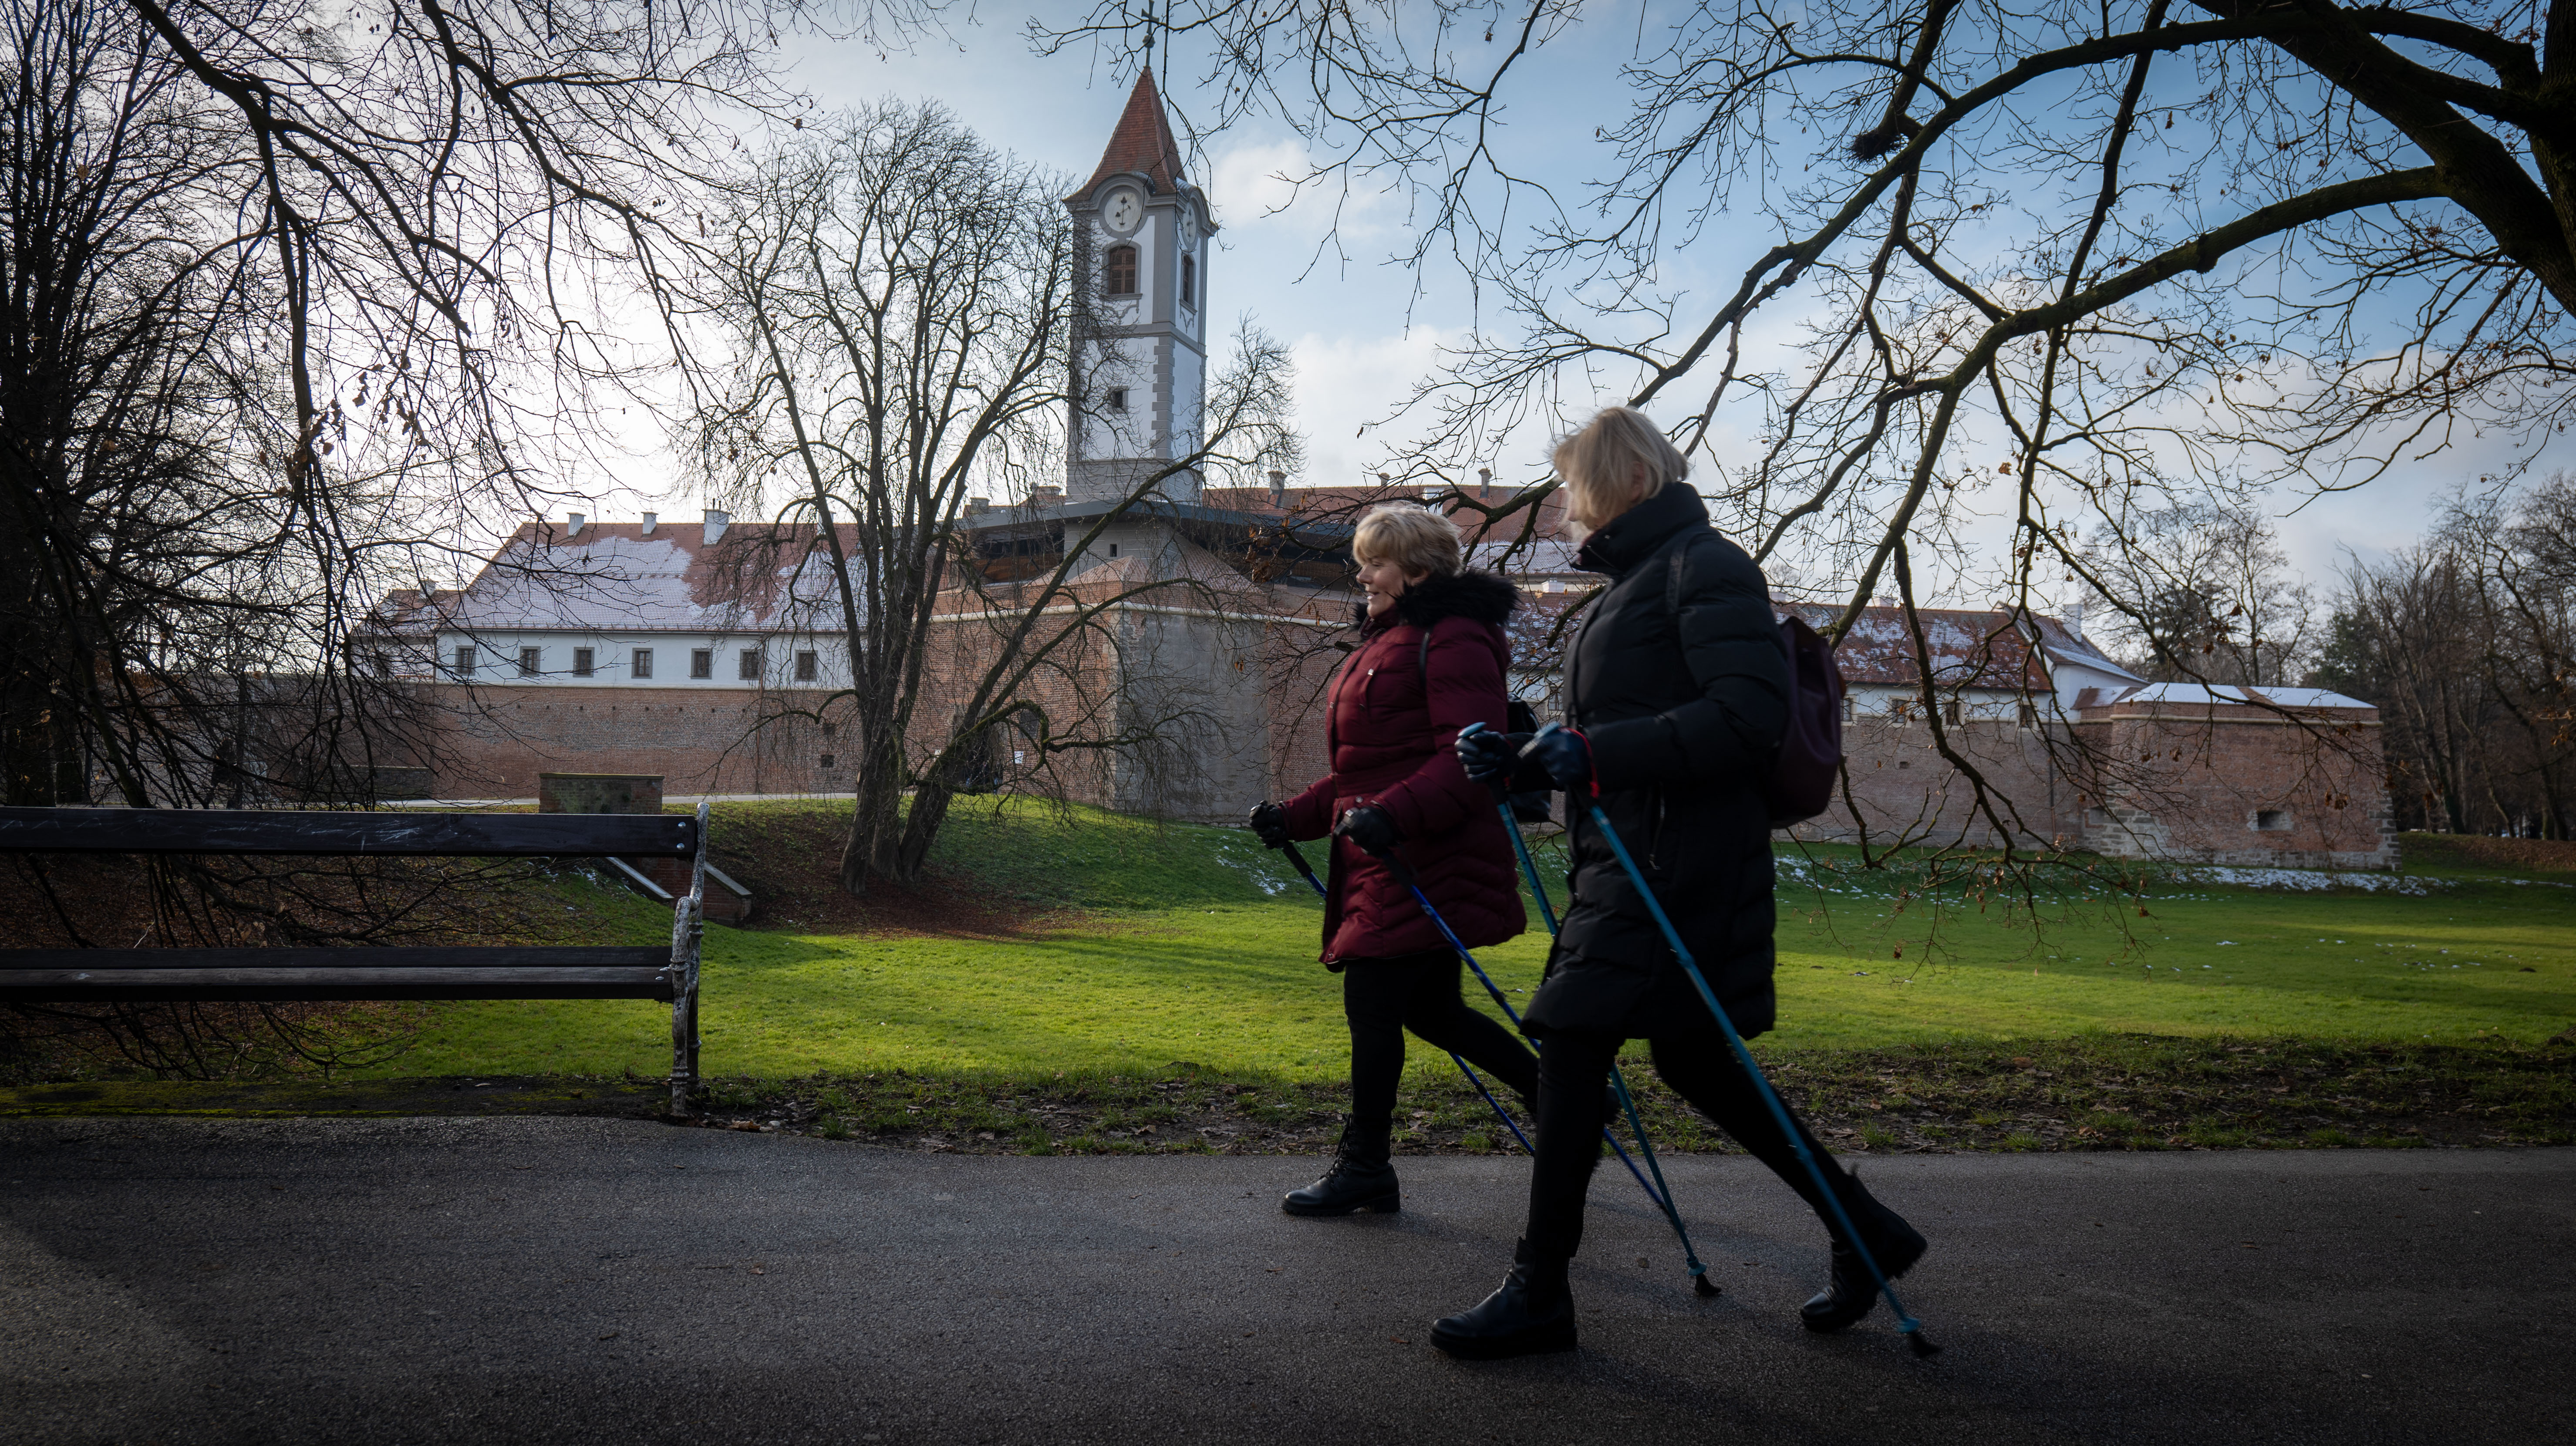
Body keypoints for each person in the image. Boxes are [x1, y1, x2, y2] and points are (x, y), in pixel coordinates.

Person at [1434, 406, 1927, 1359]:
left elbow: (1745, 718)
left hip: (1680, 863)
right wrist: (1521, 760)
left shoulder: (1708, 566)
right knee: (1692, 1062)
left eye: (1576, 482)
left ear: (1627, 479)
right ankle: (1866, 1226)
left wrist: (1592, 751)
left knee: (1571, 1038)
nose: (1567, 504)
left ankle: (1541, 1289)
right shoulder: (1635, 584)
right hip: (1633, 858)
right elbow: (1617, 734)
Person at [1248, 502, 1534, 1217]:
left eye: (1374, 562)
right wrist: (1294, 816)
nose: (1362, 575)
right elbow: (1363, 773)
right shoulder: (1389, 639)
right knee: (1433, 1011)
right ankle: (1560, 1096)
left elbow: (1467, 762)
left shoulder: (1456, 639)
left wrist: (1391, 816)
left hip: (1426, 855)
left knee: (1374, 1004)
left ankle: (1367, 1166)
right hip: (1387, 852)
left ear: (1417, 569)